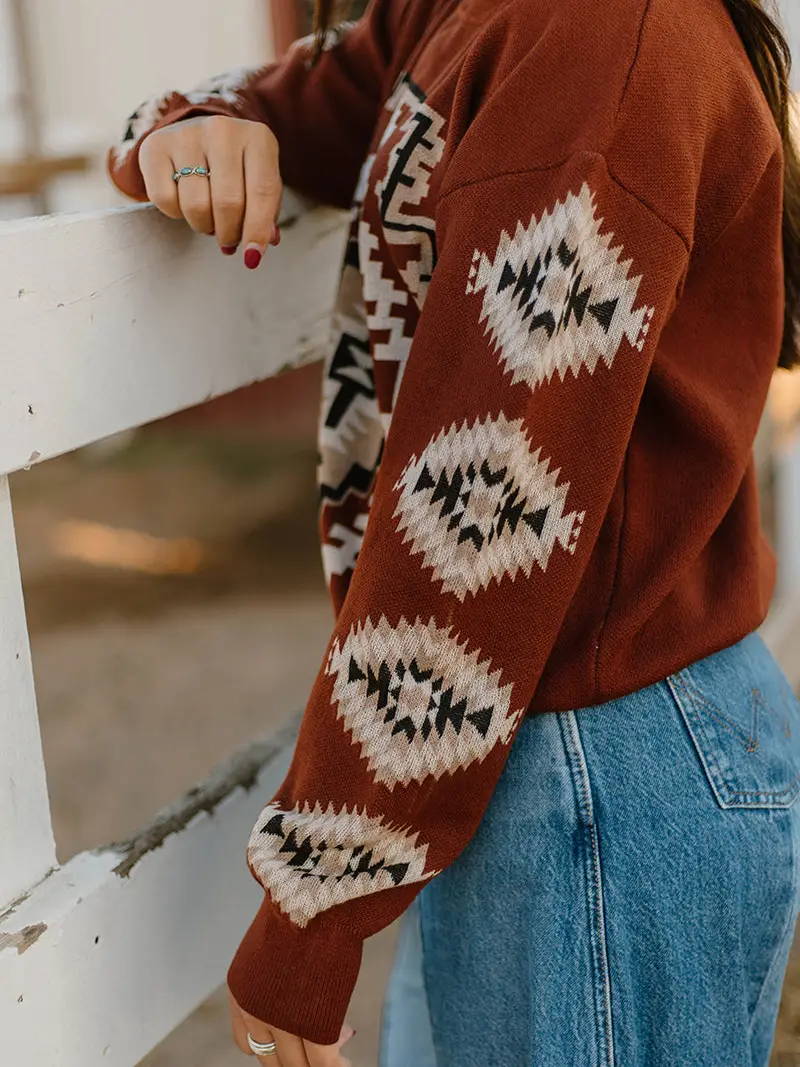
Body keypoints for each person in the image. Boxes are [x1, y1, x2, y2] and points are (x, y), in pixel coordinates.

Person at [108, 0, 800, 1064]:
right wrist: (189, 127)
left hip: (597, 761)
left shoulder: (600, 36)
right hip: (513, 734)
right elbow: (303, 100)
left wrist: (315, 899)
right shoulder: (450, 9)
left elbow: (480, 511)